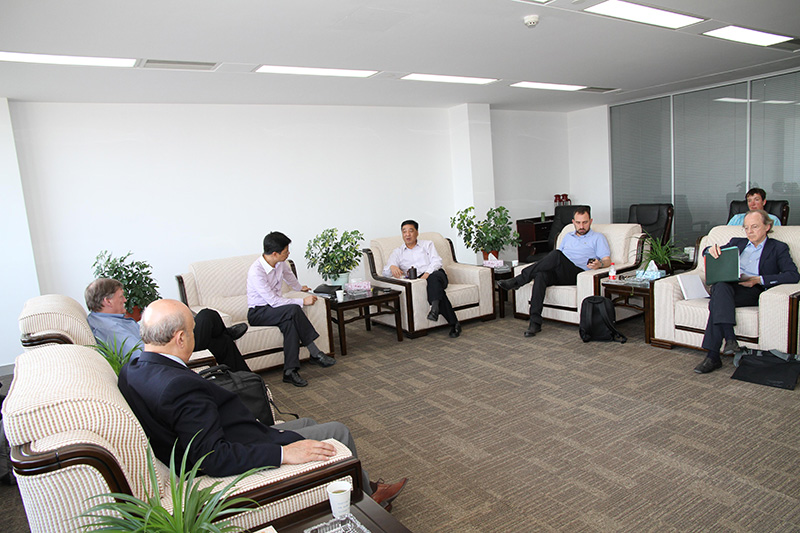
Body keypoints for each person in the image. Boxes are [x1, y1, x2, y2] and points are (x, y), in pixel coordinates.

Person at [118, 299, 407, 509]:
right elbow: (212, 457)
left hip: (236, 430)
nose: (195, 336)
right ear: (180, 338)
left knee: (307, 423)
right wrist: (282, 454)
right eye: (193, 331)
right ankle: (365, 501)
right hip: (242, 444)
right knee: (338, 431)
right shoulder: (177, 386)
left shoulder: (132, 369)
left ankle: (366, 484)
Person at [694, 209, 799, 374]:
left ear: (767, 226)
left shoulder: (778, 248)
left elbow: (793, 275)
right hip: (730, 287)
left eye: (754, 227)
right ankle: (730, 339)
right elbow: (708, 251)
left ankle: (713, 356)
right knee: (720, 287)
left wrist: (759, 279)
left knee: (717, 300)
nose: (749, 231)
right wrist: (710, 250)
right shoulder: (737, 242)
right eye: (746, 227)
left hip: (753, 290)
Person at [85, 278, 250, 372]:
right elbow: (141, 354)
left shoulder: (106, 320)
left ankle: (249, 381)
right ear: (107, 301)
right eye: (121, 296)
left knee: (222, 343)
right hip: (168, 352)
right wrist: (168, 339)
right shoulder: (110, 328)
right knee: (208, 315)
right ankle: (228, 332)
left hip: (164, 346)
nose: (125, 300)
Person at [497, 207, 611, 337]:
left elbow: (607, 260)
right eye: (578, 222)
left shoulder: (598, 238)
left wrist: (600, 264)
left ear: (590, 221)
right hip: (560, 271)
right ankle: (535, 322)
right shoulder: (567, 236)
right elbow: (555, 260)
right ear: (573, 222)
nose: (581, 226)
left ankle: (518, 280)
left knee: (556, 254)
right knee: (540, 275)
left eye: (585, 222)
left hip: (577, 273)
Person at [247, 232, 336, 387]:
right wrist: (302, 301)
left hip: (276, 311)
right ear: (275, 253)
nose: (288, 254)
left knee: (290, 325)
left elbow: (290, 277)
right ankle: (315, 353)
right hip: (259, 312)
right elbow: (273, 301)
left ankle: (290, 371)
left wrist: (300, 288)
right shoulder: (256, 272)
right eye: (286, 251)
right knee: (294, 310)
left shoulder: (280, 263)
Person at [383, 220, 462, 338]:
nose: (407, 234)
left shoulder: (427, 244)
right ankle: (450, 320)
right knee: (436, 290)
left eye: (411, 231)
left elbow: (437, 262)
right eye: (404, 232)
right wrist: (392, 267)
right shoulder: (398, 252)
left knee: (433, 279)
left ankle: (435, 309)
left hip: (436, 274)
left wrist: (427, 274)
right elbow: (385, 272)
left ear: (417, 232)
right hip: (419, 281)